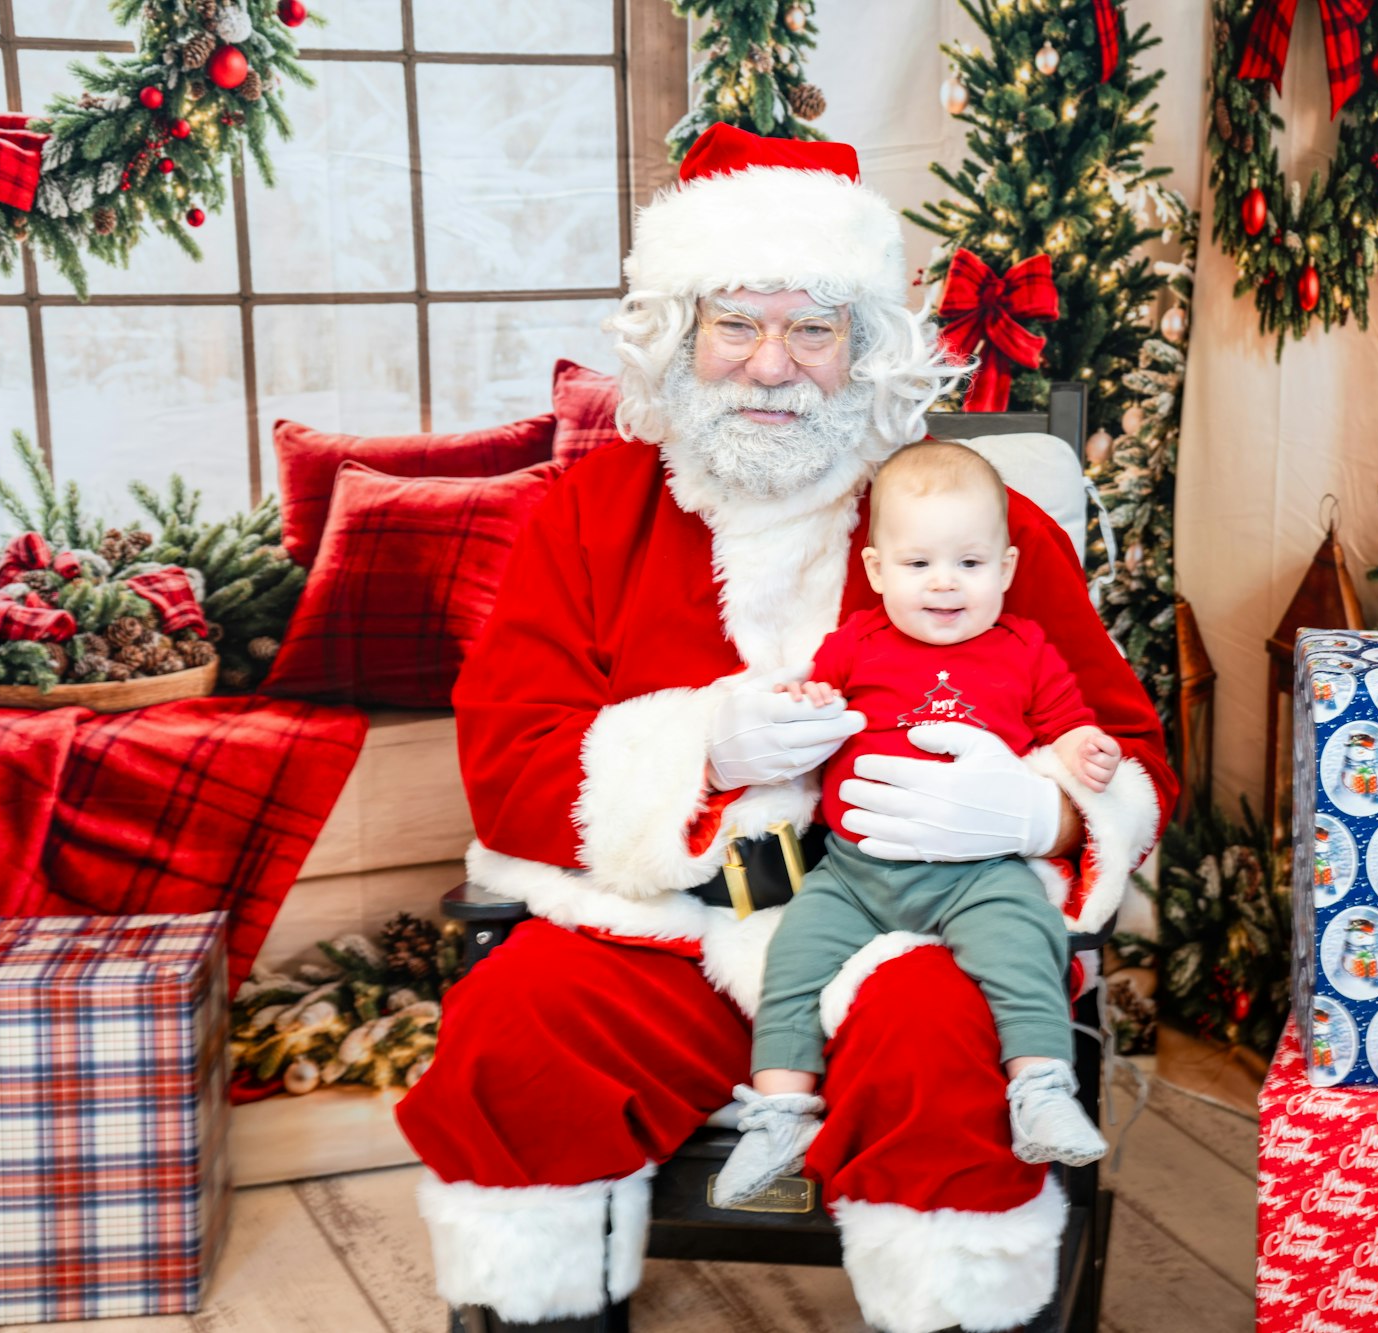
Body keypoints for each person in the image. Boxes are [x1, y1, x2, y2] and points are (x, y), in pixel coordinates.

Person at [394, 125, 1172, 1333]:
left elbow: (1128, 750)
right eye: (736, 324)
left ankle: (958, 1310)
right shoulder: (589, 514)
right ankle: (547, 1313)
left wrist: (1042, 807)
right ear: (678, 338)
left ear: (863, 348)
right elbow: (506, 759)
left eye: (812, 327)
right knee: (516, 1033)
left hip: (914, 924)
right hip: (662, 928)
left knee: (936, 1050)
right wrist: (698, 750)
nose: (771, 364)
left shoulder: (974, 526)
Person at [715, 441, 1120, 1207]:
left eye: (969, 565)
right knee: (791, 961)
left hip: (979, 870)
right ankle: (777, 1112)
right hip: (853, 873)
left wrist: (1079, 751)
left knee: (1023, 945)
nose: (944, 584)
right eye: (918, 564)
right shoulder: (858, 641)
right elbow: (813, 698)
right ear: (875, 571)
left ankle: (1039, 1086)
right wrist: (800, 707)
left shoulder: (1025, 649)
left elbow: (1068, 722)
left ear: (1004, 569)